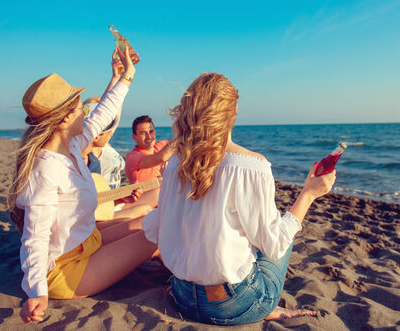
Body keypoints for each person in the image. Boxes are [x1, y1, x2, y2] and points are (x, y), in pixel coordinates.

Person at [142, 73, 336, 325]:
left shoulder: (175, 164)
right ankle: (265, 307)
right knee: (284, 231)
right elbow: (275, 245)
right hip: (233, 304)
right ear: (234, 109)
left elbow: (155, 227)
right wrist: (309, 193)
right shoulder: (252, 166)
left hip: (183, 296)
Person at [8, 47, 157, 324]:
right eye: (80, 108)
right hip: (67, 269)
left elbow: (103, 113)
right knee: (155, 235)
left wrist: (125, 77)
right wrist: (36, 291)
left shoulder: (73, 144)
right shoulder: (45, 169)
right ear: (65, 119)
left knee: (148, 222)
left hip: (88, 241)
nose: (85, 113)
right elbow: (34, 237)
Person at [125, 115, 175, 184]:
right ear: (134, 137)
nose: (149, 137)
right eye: (143, 133)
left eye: (151, 131)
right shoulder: (133, 157)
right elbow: (161, 157)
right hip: (146, 194)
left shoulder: (160, 146)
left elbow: (183, 143)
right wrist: (179, 136)